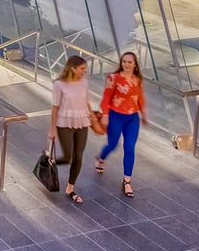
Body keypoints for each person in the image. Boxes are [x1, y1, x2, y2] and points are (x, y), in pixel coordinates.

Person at [95, 51, 147, 198]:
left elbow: (139, 98)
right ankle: (101, 158)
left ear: (135, 64)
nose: (126, 64)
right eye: (124, 61)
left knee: (129, 147)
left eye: (130, 62)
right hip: (116, 116)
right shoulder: (113, 78)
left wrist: (143, 114)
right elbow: (106, 98)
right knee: (112, 144)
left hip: (132, 118)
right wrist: (105, 114)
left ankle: (127, 181)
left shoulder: (137, 80)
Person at [49, 55, 94, 204]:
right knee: (68, 157)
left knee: (78, 156)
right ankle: (51, 161)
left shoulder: (84, 83)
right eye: (81, 69)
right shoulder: (59, 84)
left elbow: (87, 103)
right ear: (72, 68)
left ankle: (70, 188)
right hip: (64, 123)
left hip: (82, 122)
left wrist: (94, 119)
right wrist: (53, 130)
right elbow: (55, 108)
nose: (84, 72)